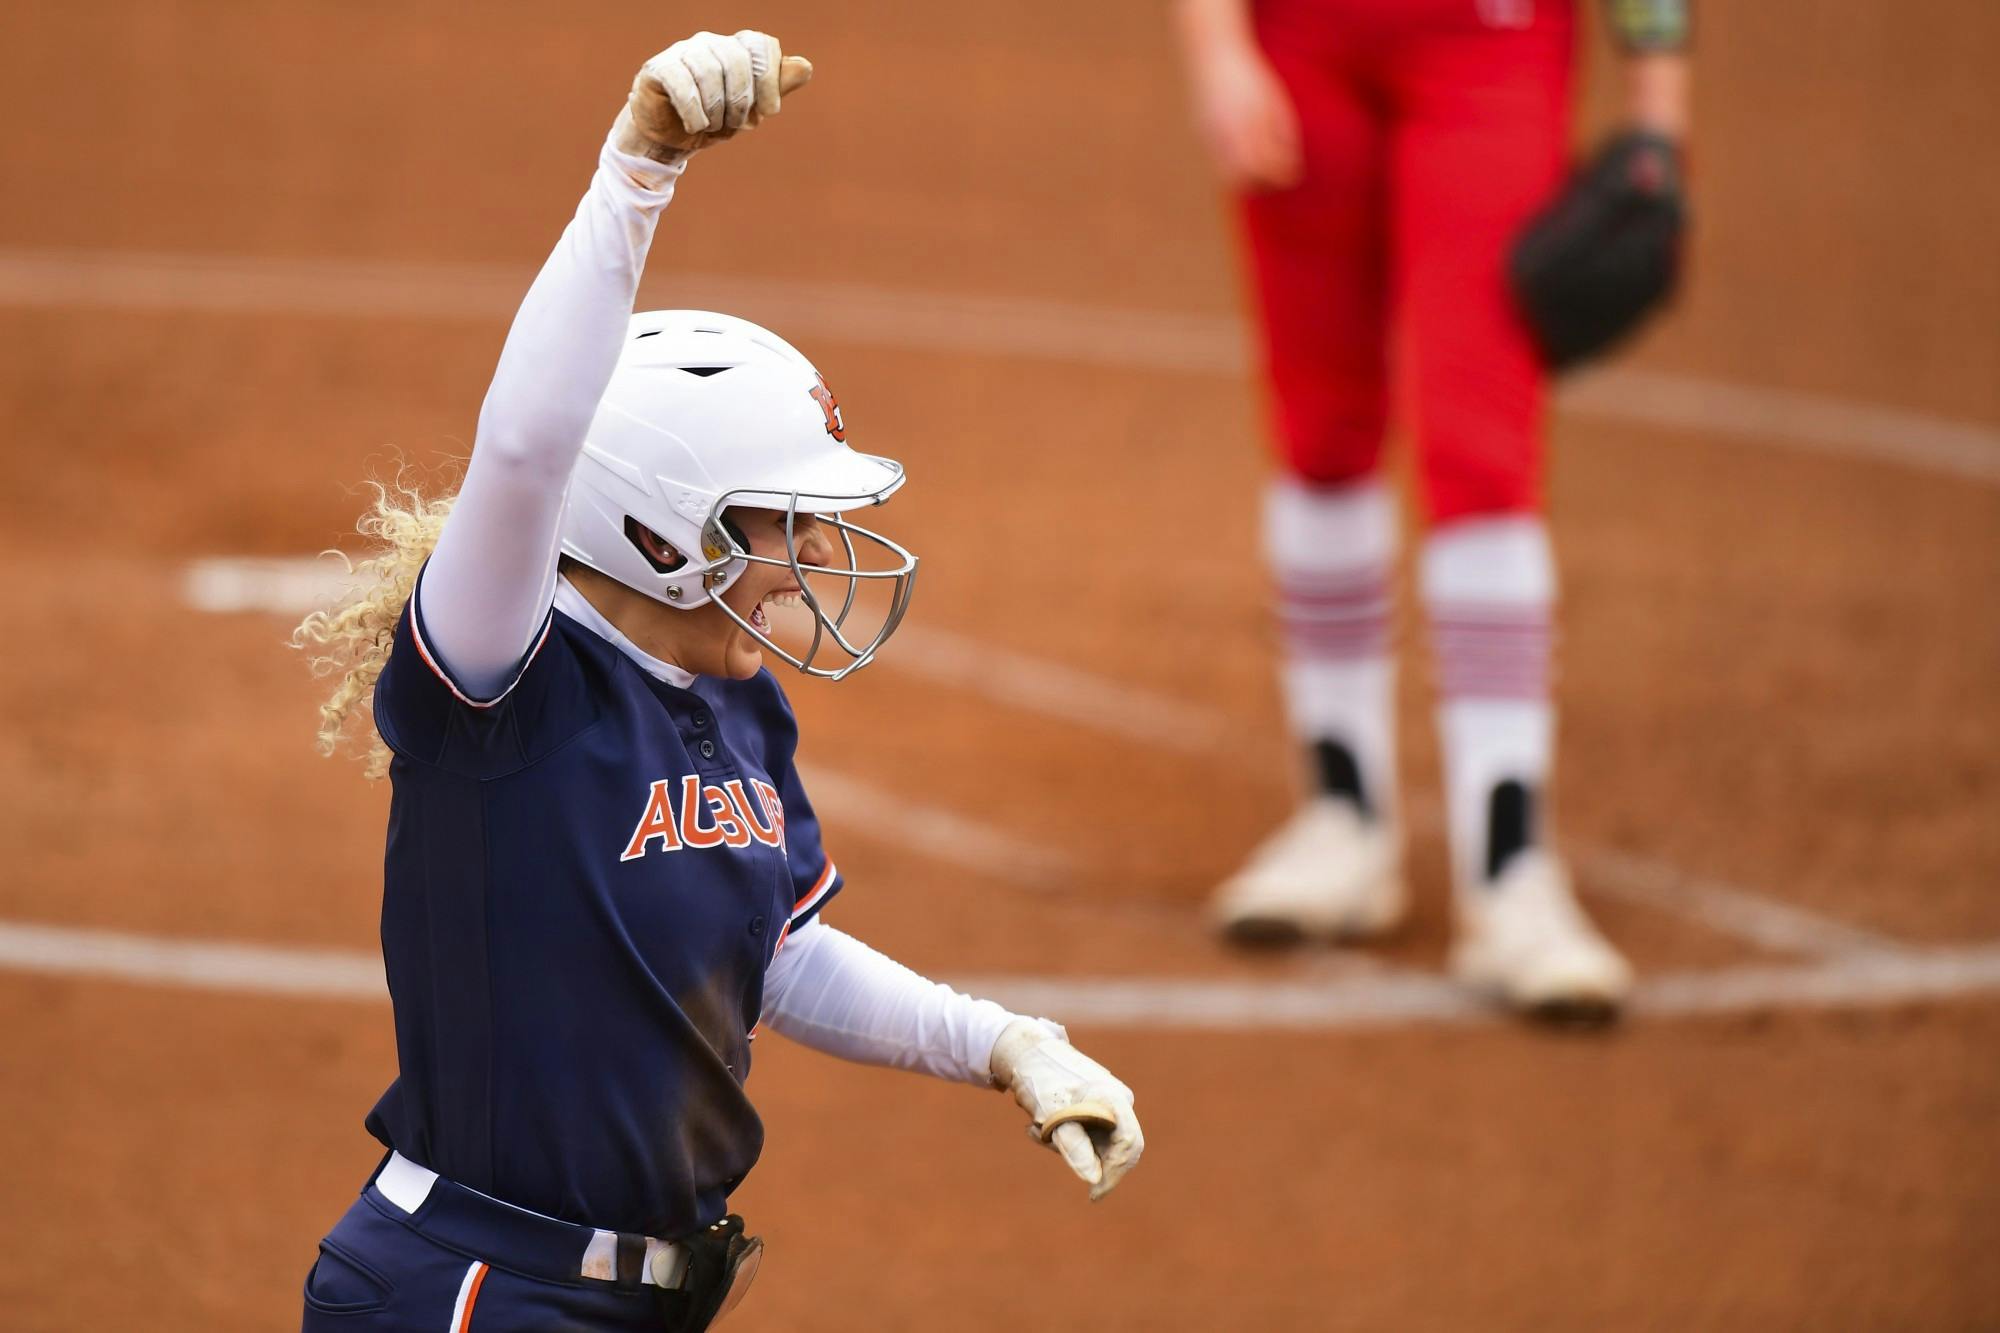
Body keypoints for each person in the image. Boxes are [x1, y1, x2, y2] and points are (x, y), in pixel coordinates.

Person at [292, 31, 1142, 1331]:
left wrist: (1004, 1043)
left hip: (651, 1300)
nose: (812, 557)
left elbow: (778, 954)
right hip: (473, 1291)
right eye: (777, 520)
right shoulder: (502, 690)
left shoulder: (739, 699)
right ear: (655, 532)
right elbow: (524, 451)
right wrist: (639, 168)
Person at [1175, 0, 1691, 1017]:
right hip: (1298, 40)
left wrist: (1656, 113)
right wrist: (1216, 48)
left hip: (1486, 42)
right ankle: (1342, 824)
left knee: (1479, 448)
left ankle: (1508, 870)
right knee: (1319, 433)